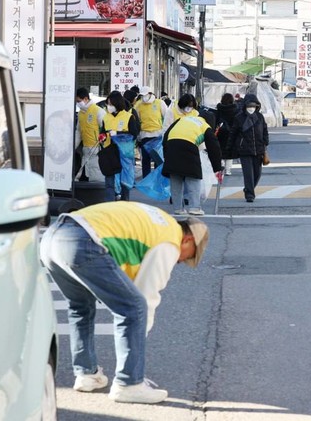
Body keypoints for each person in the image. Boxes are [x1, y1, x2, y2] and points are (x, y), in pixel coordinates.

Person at [40, 201, 209, 404]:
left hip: (51, 239)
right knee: (134, 308)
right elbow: (146, 297)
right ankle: (129, 384)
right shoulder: (170, 241)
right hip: (82, 241)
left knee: (80, 307)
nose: (180, 261)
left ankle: (87, 374)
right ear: (188, 240)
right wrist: (137, 335)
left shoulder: (160, 222)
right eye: (187, 257)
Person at [162, 93, 223, 216]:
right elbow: (214, 148)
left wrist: (166, 154)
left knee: (176, 178)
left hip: (171, 145)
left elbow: (166, 134)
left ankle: (178, 208)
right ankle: (194, 207)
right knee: (193, 177)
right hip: (188, 147)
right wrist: (217, 168)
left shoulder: (182, 119)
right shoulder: (205, 126)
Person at [227, 93, 269, 203]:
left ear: (257, 106)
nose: (251, 108)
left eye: (253, 105)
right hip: (244, 150)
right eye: (249, 105)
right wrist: (229, 147)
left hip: (258, 149)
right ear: (245, 105)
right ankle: (250, 194)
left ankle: (248, 189)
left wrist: (265, 141)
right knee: (248, 174)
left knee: (257, 174)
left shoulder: (260, 117)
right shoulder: (239, 118)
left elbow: (265, 130)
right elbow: (233, 133)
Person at [101, 91, 140, 202]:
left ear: (117, 103)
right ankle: (109, 204)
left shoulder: (128, 117)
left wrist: (118, 133)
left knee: (124, 180)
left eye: (111, 104)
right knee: (109, 180)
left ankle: (124, 202)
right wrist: (102, 136)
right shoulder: (106, 117)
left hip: (124, 153)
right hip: (109, 151)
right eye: (108, 104)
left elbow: (134, 133)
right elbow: (103, 131)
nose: (109, 106)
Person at [133, 86, 169, 179]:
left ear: (150, 94)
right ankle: (146, 179)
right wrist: (138, 136)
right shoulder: (138, 105)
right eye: (142, 95)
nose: (144, 97)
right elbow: (136, 120)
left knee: (158, 159)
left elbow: (167, 117)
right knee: (145, 159)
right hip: (144, 135)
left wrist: (165, 133)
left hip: (158, 135)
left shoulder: (160, 103)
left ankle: (157, 179)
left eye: (145, 95)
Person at [75, 88, 106, 182]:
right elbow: (78, 132)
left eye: (78, 101)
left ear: (85, 99)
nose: (77, 103)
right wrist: (74, 146)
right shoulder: (81, 114)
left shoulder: (98, 111)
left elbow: (106, 129)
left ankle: (98, 188)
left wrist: (103, 144)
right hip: (86, 148)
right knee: (87, 171)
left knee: (96, 171)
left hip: (97, 148)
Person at [215, 92, 238, 175]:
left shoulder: (219, 109)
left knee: (220, 150)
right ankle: (228, 170)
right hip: (231, 132)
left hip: (220, 132)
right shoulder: (234, 110)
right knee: (229, 152)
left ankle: (221, 166)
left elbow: (216, 120)